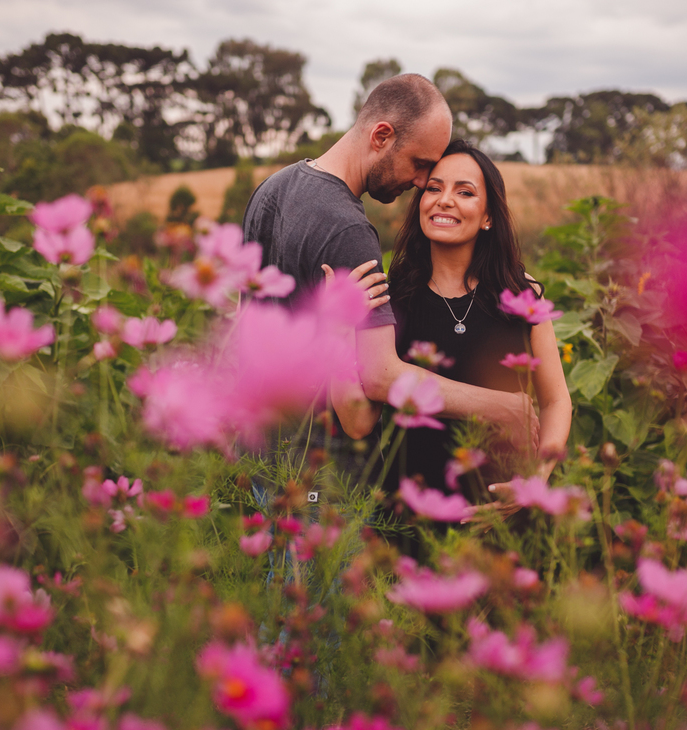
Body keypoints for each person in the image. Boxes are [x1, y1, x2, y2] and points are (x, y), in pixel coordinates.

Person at [241, 74, 534, 492]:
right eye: (419, 164)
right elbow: (376, 385)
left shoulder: (271, 189)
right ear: (381, 135)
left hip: (264, 466)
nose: (419, 183)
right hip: (323, 484)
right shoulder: (347, 231)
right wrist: (503, 406)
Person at [331, 139, 571, 503]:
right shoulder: (391, 302)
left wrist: (536, 481)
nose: (444, 200)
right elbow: (357, 421)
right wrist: (336, 327)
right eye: (434, 188)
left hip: (503, 518)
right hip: (412, 521)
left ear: (488, 216)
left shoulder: (522, 297)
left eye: (465, 192)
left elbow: (555, 401)